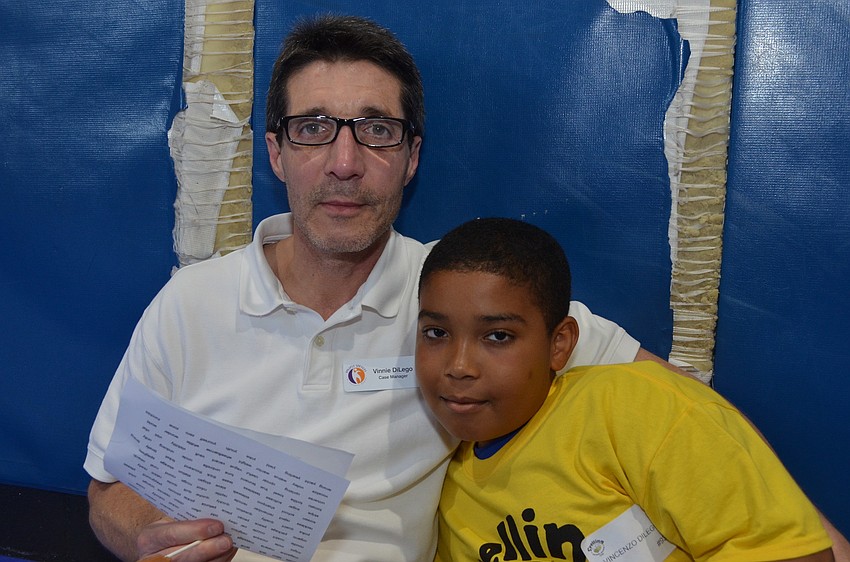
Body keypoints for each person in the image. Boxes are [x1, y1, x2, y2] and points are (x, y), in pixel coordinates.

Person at [84, 13, 849, 562]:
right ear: (277, 152)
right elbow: (108, 489)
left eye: (376, 130)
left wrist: (815, 543)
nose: (344, 162)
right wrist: (145, 534)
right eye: (315, 128)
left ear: (410, 157)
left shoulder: (461, 293)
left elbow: (683, 415)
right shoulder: (190, 305)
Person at [415, 217, 835, 562]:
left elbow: (789, 553)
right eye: (436, 332)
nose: (459, 366)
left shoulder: (639, 410)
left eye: (498, 337)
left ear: (559, 344)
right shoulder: (449, 501)